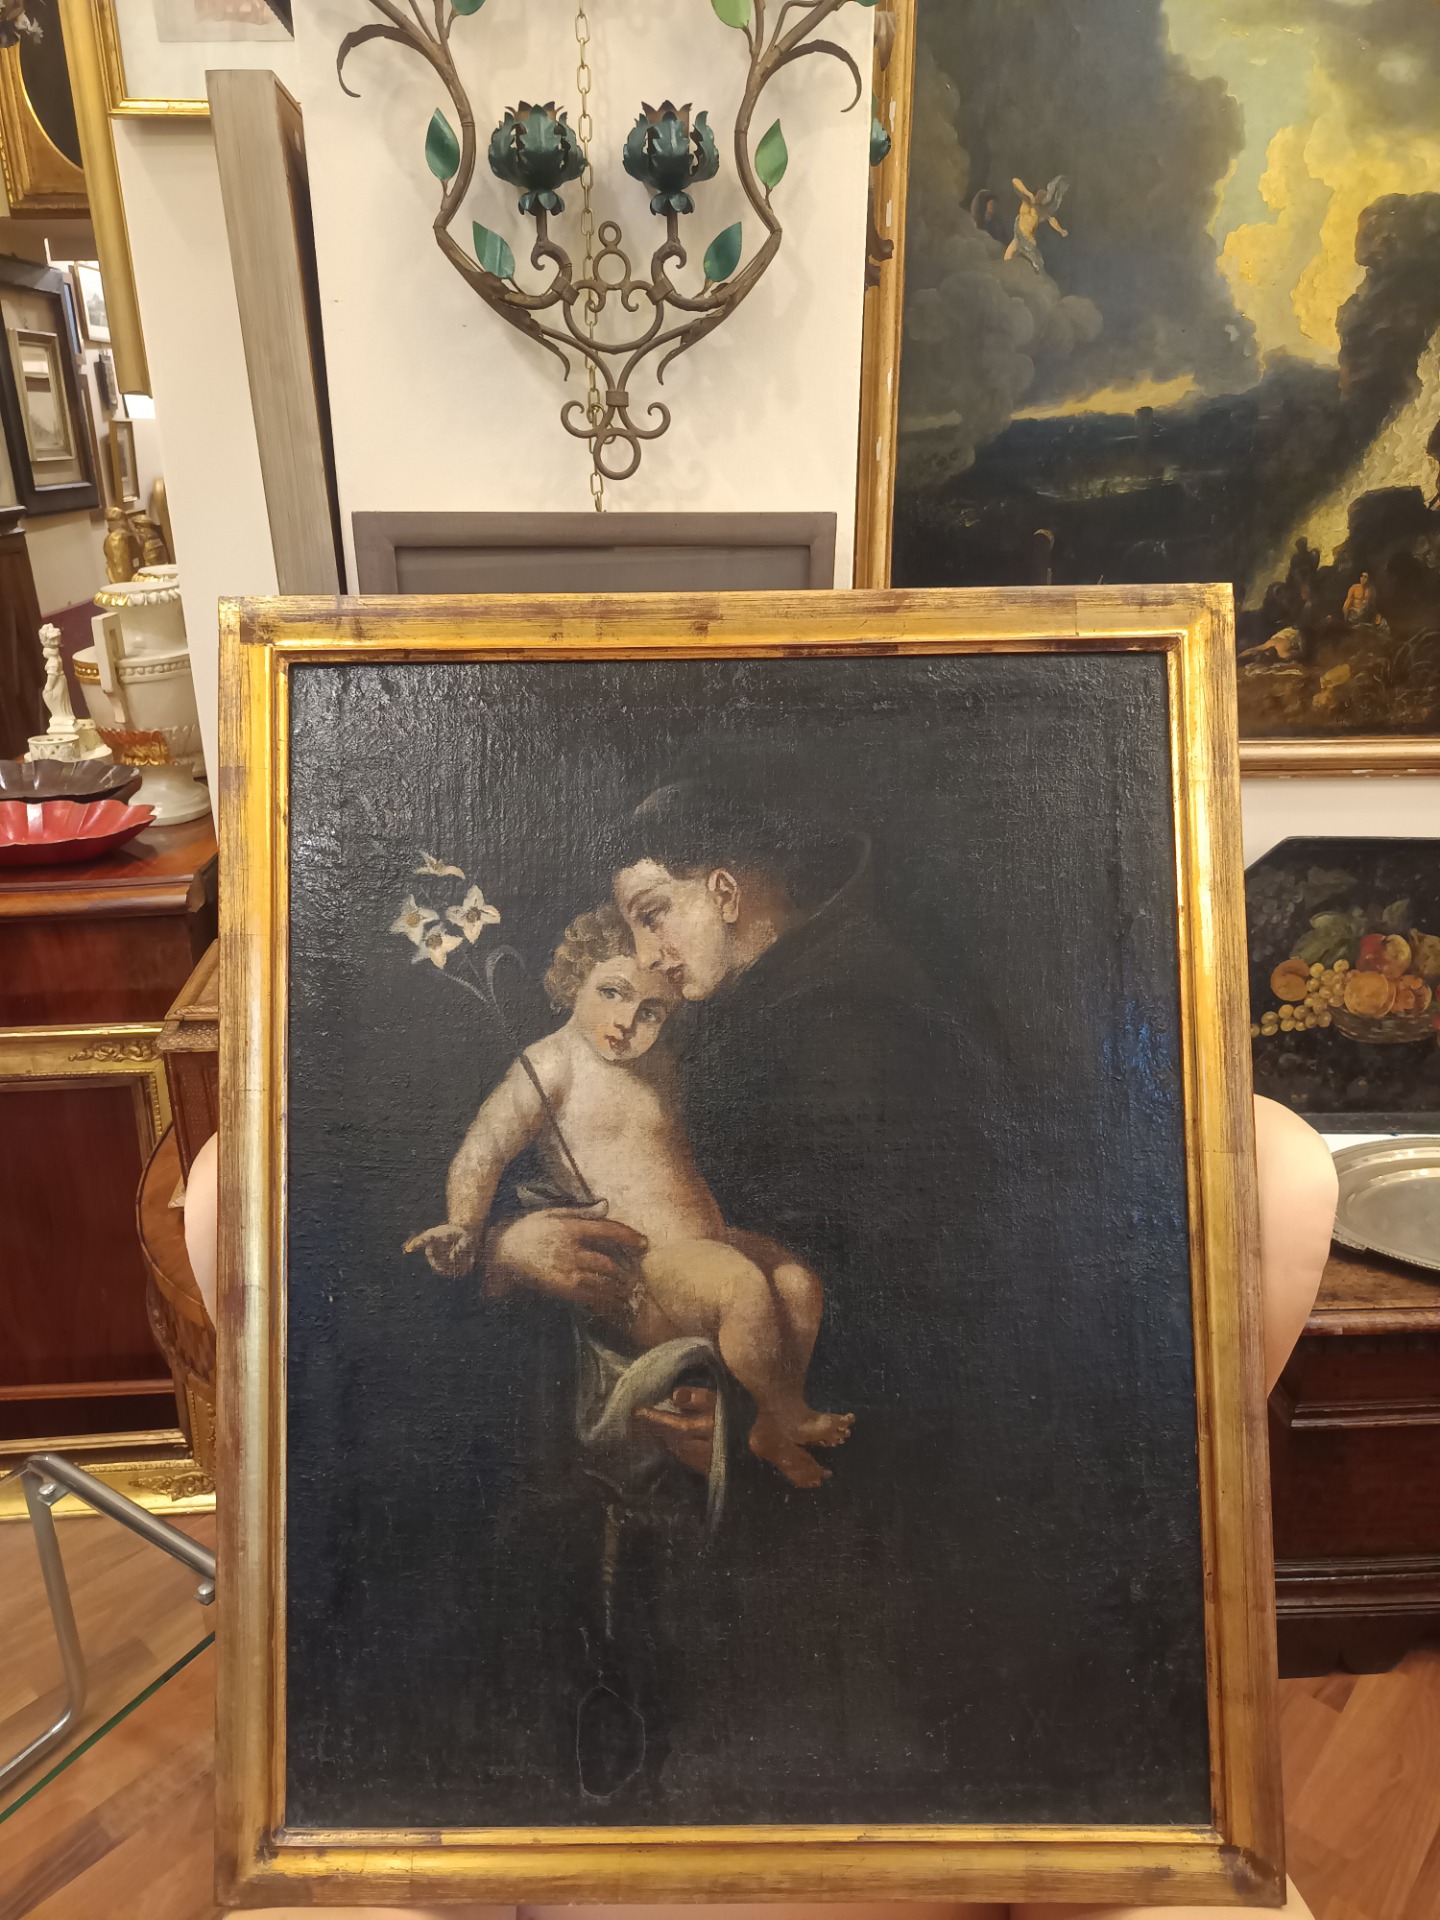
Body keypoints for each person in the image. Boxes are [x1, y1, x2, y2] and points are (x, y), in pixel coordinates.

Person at [405, 903, 853, 1488]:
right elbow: (481, 1152)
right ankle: (784, 1413)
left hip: (708, 1243)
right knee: (742, 1286)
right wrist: (465, 1226)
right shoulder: (550, 1065)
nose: (627, 1021)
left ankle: (769, 1423)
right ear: (575, 981)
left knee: (797, 1282)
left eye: (650, 1011)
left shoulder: (661, 1064)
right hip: (648, 1265)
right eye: (612, 993)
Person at [1006, 175, 1069, 272]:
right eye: (1040, 195)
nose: (1042, 198)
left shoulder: (1040, 210)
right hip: (1019, 233)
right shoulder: (1027, 200)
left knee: (1036, 262)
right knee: (1007, 257)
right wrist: (1028, 194)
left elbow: (1051, 220)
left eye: (1044, 197)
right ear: (1036, 194)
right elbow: (1015, 181)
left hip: (1028, 239)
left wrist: (1061, 230)